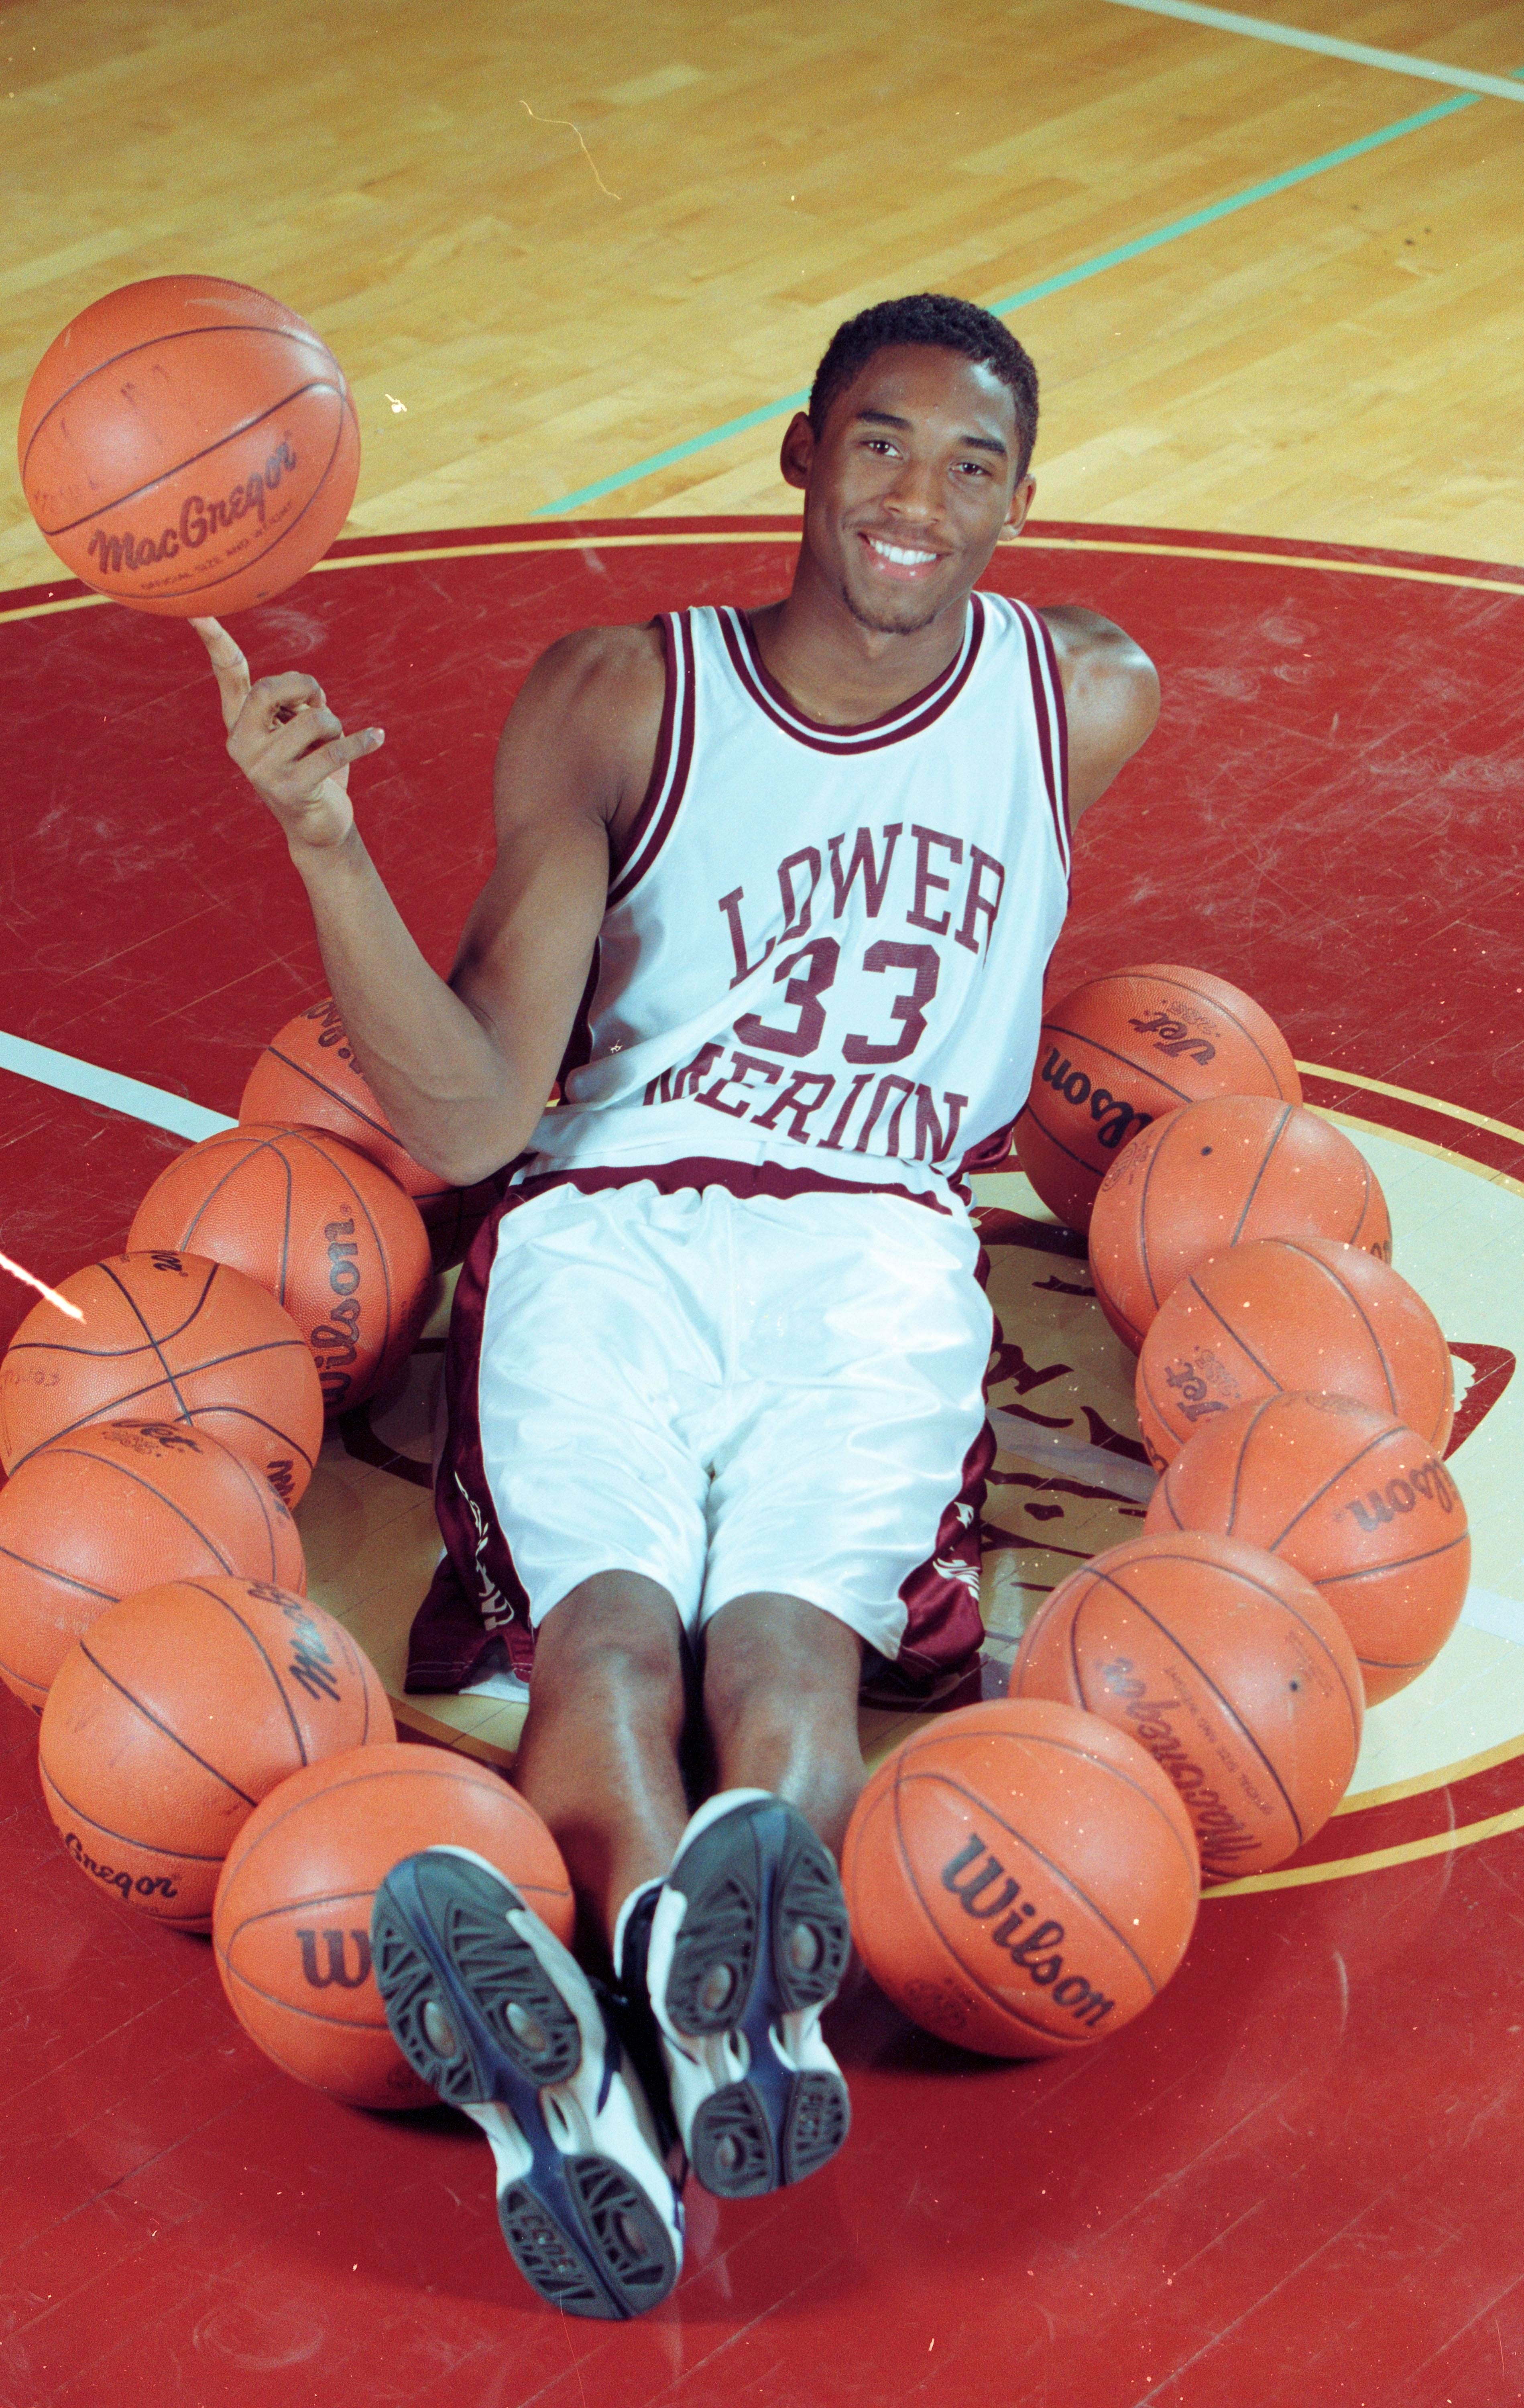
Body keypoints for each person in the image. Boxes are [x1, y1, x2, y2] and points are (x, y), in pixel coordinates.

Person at [199, 292, 1160, 2321]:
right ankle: (722, 2044)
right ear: (800, 455)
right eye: (880, 444)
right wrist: (320, 836)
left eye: (973, 465)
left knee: (793, 1667)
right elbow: (465, 1114)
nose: (921, 498)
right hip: (614, 1226)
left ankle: (626, 2076)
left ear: (1023, 502)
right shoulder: (625, 696)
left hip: (880, 1250)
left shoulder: (1086, 693)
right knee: (615, 1651)